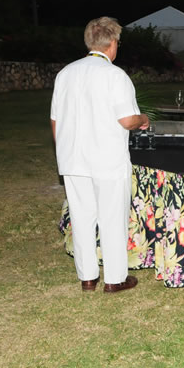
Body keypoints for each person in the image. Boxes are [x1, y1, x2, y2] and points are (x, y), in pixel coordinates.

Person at [50, 17, 149, 293]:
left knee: (81, 216)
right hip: (107, 158)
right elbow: (127, 120)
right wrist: (143, 118)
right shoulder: (115, 75)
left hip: (72, 158)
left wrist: (65, 148)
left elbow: (55, 120)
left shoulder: (66, 73)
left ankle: (88, 277)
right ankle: (115, 279)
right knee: (112, 217)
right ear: (113, 43)